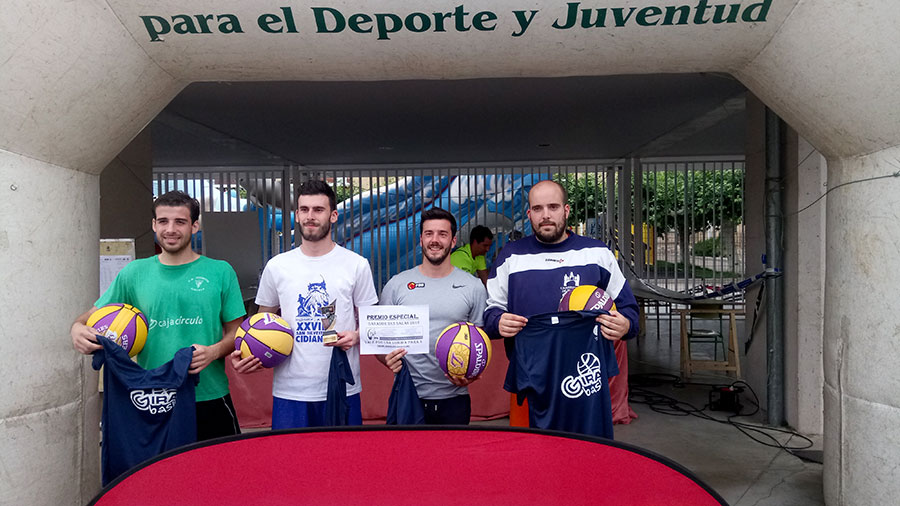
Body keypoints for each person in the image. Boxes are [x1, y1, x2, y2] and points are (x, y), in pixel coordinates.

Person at [71, 190, 246, 441]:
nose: (170, 229)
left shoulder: (220, 271)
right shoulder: (134, 273)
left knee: (220, 466)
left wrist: (213, 352)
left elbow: (237, 332)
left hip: (209, 394)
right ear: (154, 225)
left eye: (180, 222)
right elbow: (88, 318)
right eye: (163, 221)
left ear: (195, 226)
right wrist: (77, 328)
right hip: (153, 397)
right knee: (161, 468)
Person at [482, 179, 639, 435]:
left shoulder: (597, 253)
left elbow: (630, 312)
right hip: (530, 381)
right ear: (529, 214)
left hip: (585, 381)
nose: (545, 215)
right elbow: (489, 315)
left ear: (566, 210)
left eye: (553, 207)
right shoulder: (510, 256)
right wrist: (498, 322)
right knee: (534, 453)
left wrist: (625, 325)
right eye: (538, 208)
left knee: (587, 452)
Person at [232, 180, 377, 429]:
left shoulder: (356, 264)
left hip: (342, 386)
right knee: (290, 455)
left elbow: (371, 322)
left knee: (342, 454)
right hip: (291, 391)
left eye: (318, 209)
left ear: (333, 215)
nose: (310, 216)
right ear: (297, 215)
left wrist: (356, 335)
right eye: (304, 209)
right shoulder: (277, 266)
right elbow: (261, 324)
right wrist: (247, 354)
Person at [378, 208, 488, 425]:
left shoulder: (473, 287)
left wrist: (472, 373)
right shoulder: (397, 284)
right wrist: (386, 358)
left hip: (454, 398)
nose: (435, 240)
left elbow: (479, 343)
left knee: (452, 449)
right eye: (429, 234)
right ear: (421, 240)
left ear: (453, 241)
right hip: (407, 394)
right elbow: (380, 343)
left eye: (442, 234)